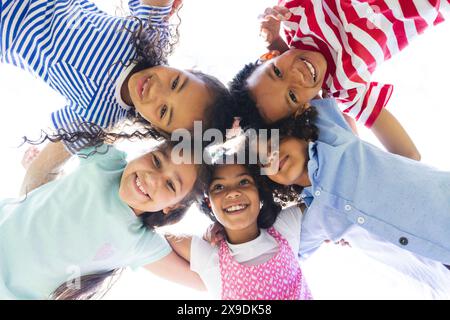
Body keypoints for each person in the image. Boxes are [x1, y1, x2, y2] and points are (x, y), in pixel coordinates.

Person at [0, 0, 230, 193]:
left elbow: (40, 172)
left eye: (163, 111)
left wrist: (23, 210)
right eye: (176, 82)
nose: (155, 91)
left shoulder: (98, 117)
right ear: (187, 70)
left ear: (156, 127)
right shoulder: (149, 34)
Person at [229, 0, 449, 160]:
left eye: (276, 72)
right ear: (303, 107)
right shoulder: (346, 89)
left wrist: (275, 38)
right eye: (292, 95)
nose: (296, 77)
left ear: (270, 56)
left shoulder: (293, 14)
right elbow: (409, 154)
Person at [252, 97, 450, 265]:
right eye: (262, 162)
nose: (270, 156)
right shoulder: (315, 220)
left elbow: (298, 84)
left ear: (293, 130)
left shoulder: (332, 136)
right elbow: (281, 258)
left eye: (274, 142)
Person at [0, 139, 205, 299]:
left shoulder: (140, 243)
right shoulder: (107, 162)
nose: (152, 178)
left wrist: (224, 234)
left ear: (171, 207)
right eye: (157, 160)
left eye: (170, 185)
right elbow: (84, 119)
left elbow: (210, 280)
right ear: (146, 151)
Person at [167, 163, 312, 300]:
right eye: (218, 187)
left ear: (259, 192)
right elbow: (150, 232)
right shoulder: (208, 255)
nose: (233, 193)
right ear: (209, 203)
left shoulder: (285, 225)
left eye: (243, 182)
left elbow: (326, 199)